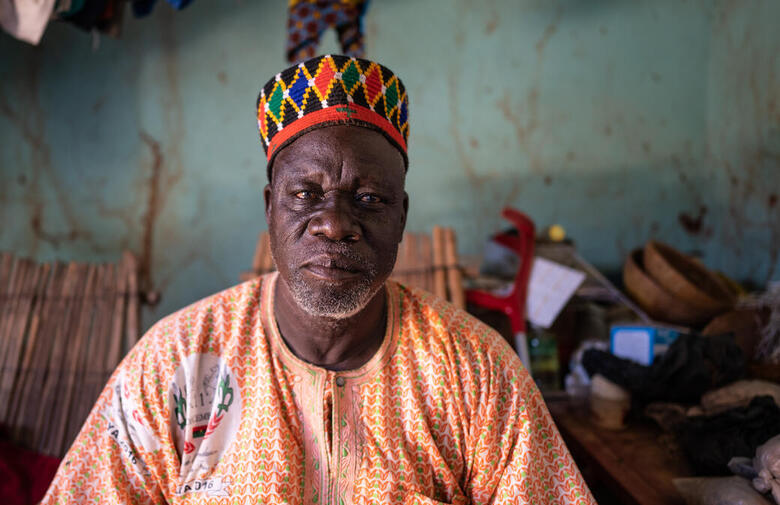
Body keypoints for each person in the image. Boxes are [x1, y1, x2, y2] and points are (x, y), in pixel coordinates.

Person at [41, 54, 594, 505]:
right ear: (270, 209)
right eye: (305, 195)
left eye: (370, 199)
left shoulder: (476, 370)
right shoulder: (177, 363)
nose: (333, 223)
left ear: (401, 217)